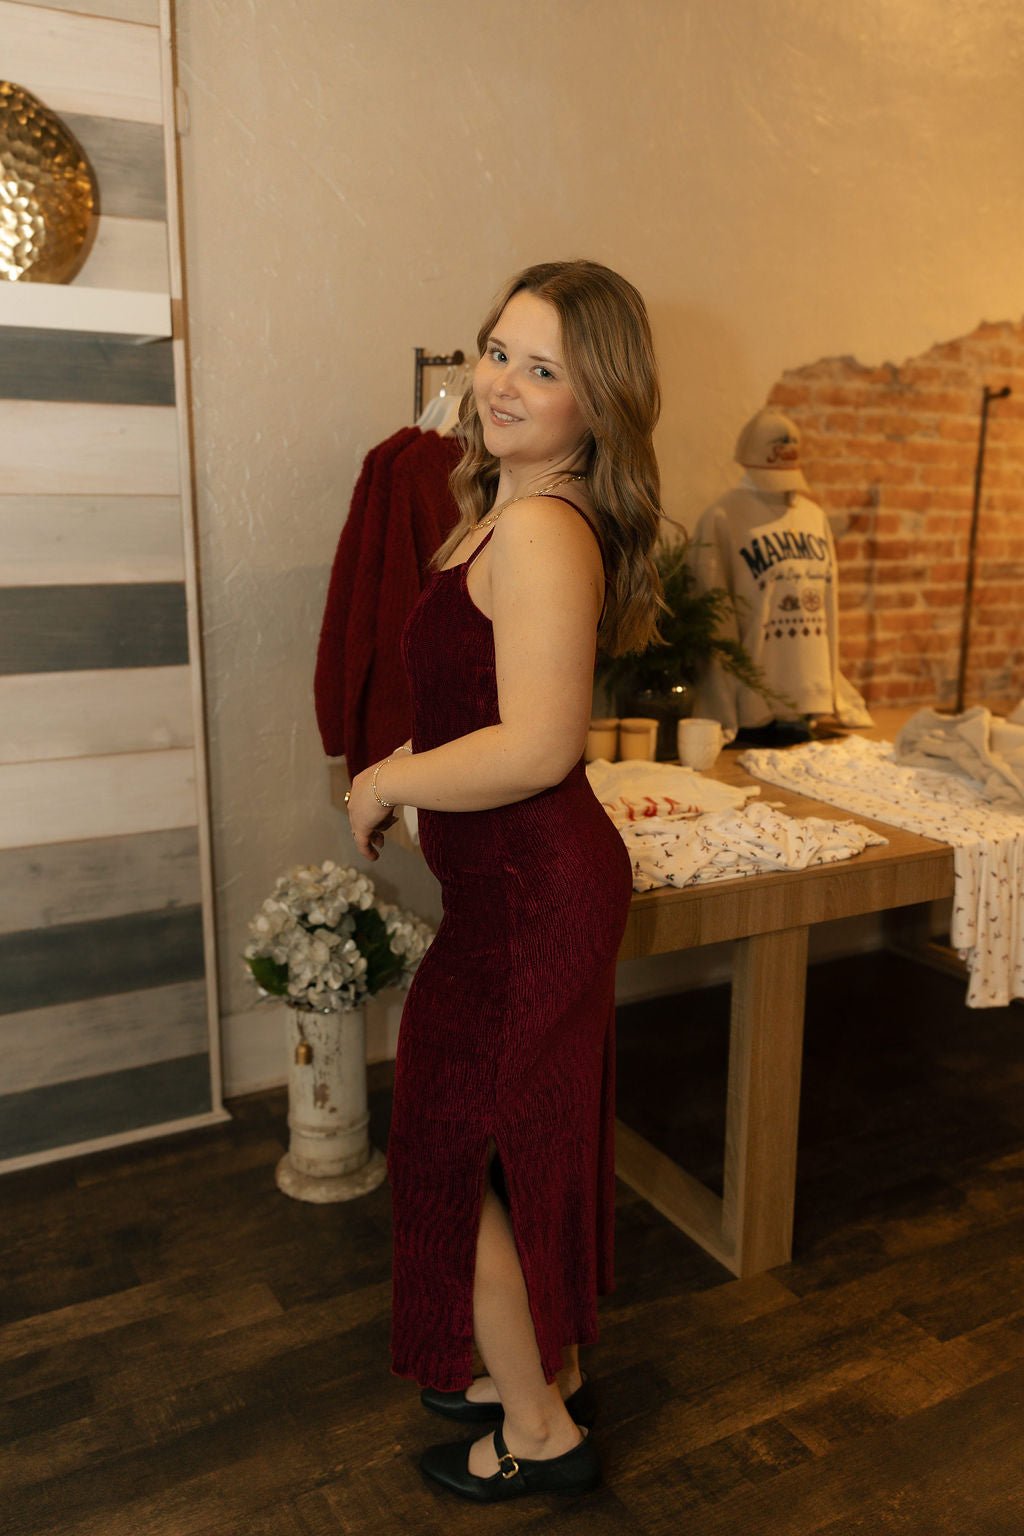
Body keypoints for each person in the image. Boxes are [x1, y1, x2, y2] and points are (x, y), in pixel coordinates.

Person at [345, 259, 663, 1502]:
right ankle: (544, 1369)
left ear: (600, 402)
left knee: (442, 1146)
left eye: (545, 369)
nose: (504, 385)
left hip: (532, 900)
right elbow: (485, 704)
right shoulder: (501, 506)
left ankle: (541, 1433)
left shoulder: (537, 526)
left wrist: (388, 779)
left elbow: (537, 746)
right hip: (514, 893)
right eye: (497, 352)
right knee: (507, 1145)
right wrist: (419, 770)